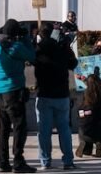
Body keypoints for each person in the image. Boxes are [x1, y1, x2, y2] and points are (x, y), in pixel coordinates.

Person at [0, 18, 37, 173]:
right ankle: (18, 161)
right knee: (19, 127)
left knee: (3, 128)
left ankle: (2, 161)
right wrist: (25, 38)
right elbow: (32, 56)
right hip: (14, 91)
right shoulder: (16, 47)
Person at [34, 22, 78, 170]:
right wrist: (66, 46)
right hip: (61, 94)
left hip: (44, 93)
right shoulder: (61, 48)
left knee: (44, 131)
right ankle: (68, 160)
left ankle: (45, 160)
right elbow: (73, 63)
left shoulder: (39, 50)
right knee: (64, 129)